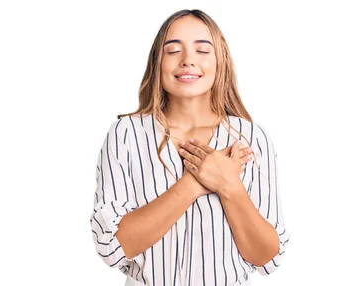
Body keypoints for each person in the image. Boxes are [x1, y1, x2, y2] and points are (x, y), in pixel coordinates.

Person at [90, 9, 291, 286]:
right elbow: (113, 248)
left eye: (202, 51)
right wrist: (195, 183)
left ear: (220, 62)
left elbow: (267, 258)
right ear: (157, 63)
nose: (187, 61)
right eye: (173, 51)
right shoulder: (126, 134)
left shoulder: (250, 138)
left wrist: (229, 185)